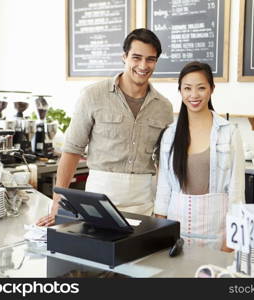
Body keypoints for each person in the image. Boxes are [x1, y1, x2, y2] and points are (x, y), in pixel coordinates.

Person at [37, 29, 173, 226]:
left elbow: (164, 164)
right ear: (124, 57)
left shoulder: (164, 107)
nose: (143, 66)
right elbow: (72, 150)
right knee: (97, 253)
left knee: (138, 255)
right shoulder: (93, 95)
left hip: (143, 202)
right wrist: (58, 202)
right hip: (99, 198)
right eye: (136, 57)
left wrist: (162, 209)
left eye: (150, 59)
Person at [154, 61, 245, 251]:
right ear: (180, 91)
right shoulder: (170, 134)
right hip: (175, 228)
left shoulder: (229, 133)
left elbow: (236, 192)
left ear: (212, 89)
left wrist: (230, 241)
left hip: (217, 230)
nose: (193, 95)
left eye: (201, 88)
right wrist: (159, 231)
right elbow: (164, 188)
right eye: (187, 88)